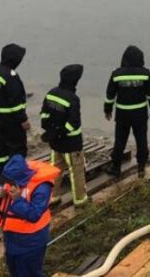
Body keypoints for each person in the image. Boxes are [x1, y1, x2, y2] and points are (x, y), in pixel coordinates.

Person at [0, 154, 60, 277]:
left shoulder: (42, 187)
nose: (8, 185)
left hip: (31, 242)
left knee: (29, 273)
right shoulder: (12, 177)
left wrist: (17, 200)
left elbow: (34, 214)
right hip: (11, 239)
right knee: (15, 271)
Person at [104, 45, 150, 178]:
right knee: (141, 140)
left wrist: (107, 110)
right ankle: (141, 167)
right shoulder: (145, 74)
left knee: (120, 141)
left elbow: (110, 95)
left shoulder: (117, 74)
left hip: (122, 113)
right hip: (140, 113)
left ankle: (116, 167)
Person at [40, 64, 89, 206]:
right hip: (71, 143)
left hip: (55, 142)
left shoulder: (51, 93)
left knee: (55, 170)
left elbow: (44, 115)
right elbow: (73, 122)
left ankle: (53, 197)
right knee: (76, 171)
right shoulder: (73, 99)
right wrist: (61, 133)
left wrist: (51, 132)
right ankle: (80, 199)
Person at [0, 44, 30, 176]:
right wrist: (23, 119)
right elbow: (16, 102)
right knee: (17, 149)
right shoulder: (11, 76)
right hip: (12, 121)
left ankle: (3, 174)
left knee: (2, 149)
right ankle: (15, 177)